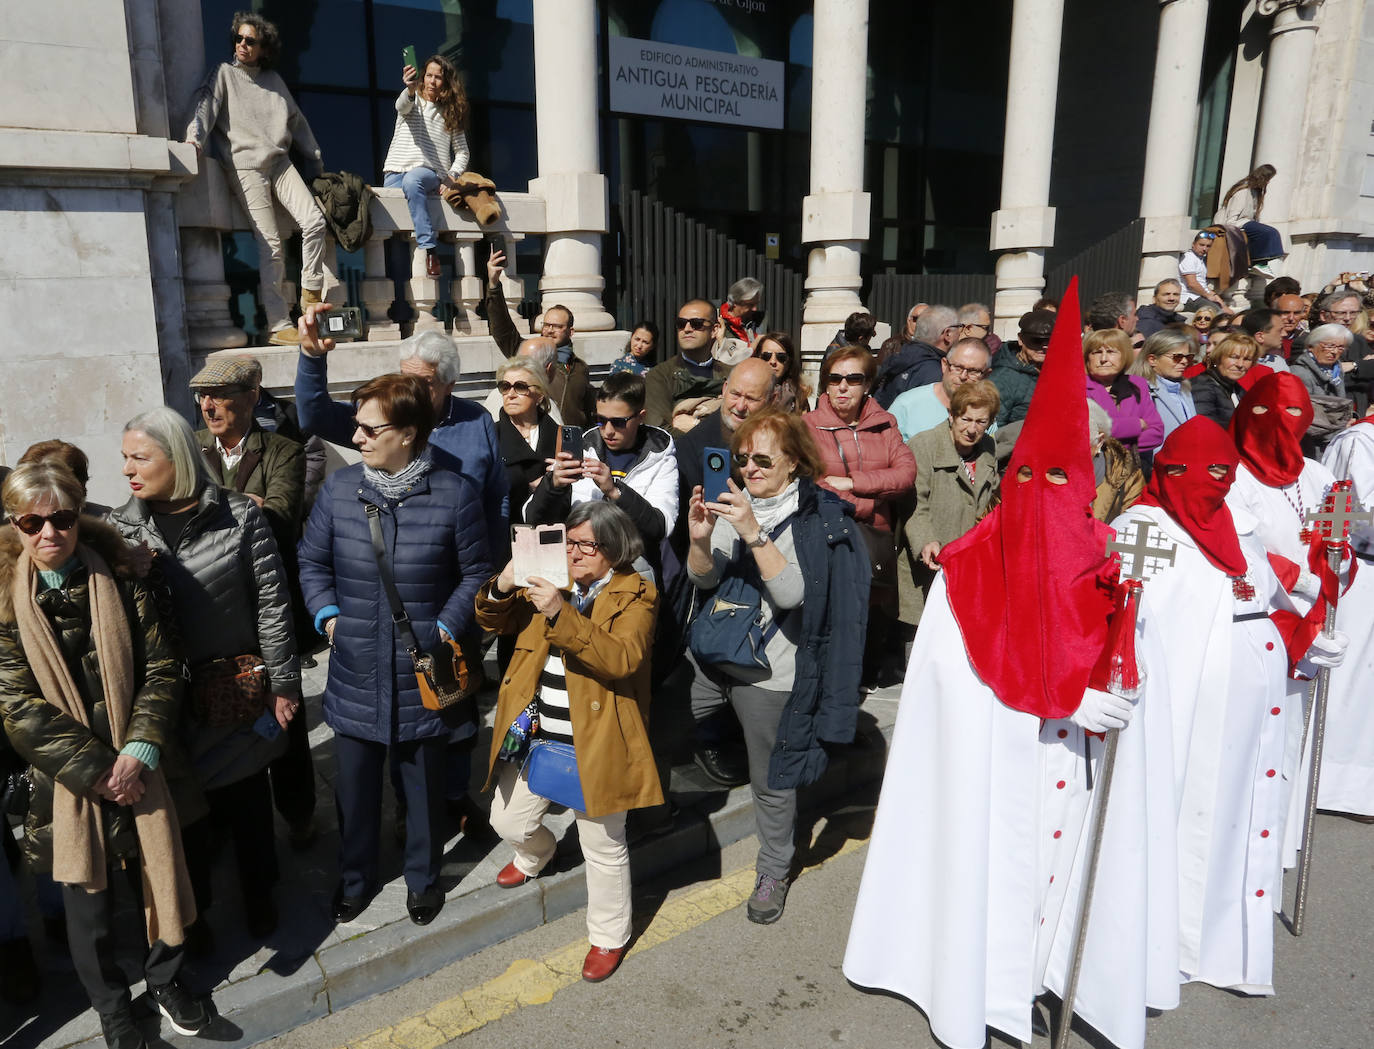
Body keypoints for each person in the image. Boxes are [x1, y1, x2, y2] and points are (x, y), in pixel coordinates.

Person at [845, 282, 1176, 1049]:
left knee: (1060, 878)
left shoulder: (1111, 558)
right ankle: (981, 983)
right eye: (1029, 478)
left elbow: (1131, 652)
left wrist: (1119, 687)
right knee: (993, 869)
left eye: (1063, 479)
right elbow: (951, 689)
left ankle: (1054, 974)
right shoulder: (968, 566)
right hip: (998, 769)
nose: (1043, 497)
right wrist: (1050, 700)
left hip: (1076, 768)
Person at [1114, 417, 1332, 995]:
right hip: (1182, 701)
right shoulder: (1143, 527)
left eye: (1219, 471)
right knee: (1186, 811)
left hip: (1255, 698)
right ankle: (1169, 944)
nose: (1205, 483)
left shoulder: (1239, 522)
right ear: (1163, 470)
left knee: (1239, 813)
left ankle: (1223, 942)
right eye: (1188, 470)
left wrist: (1309, 637)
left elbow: (1270, 599)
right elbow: (1124, 617)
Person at [0, 461, 210, 1049]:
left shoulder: (120, 577)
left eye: (61, 517)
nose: (49, 533)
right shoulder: (3, 603)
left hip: (141, 764)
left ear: (78, 515)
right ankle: (115, 1013)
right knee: (87, 912)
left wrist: (140, 748)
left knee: (161, 875)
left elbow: (162, 667)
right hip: (68, 784)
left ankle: (166, 981)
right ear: (16, 525)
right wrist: (99, 770)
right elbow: (17, 706)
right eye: (33, 521)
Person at [297, 373, 491, 927]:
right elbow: (311, 562)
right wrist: (327, 614)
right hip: (355, 669)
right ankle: (355, 879)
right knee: (354, 795)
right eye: (356, 427)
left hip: (422, 675)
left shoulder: (455, 494)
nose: (355, 438)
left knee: (424, 791)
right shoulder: (339, 491)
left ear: (407, 434)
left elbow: (477, 572)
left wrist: (442, 628)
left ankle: (424, 880)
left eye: (367, 428)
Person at [109, 406, 300, 942]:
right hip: (164, 709)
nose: (127, 469)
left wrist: (282, 684)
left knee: (247, 810)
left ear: (177, 459)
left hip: (233, 696)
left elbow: (272, 605)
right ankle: (197, 919)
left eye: (139, 457)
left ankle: (261, 897)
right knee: (185, 822)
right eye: (124, 457)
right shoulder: (120, 532)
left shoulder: (239, 517)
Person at [687, 409, 869, 924]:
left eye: (763, 458)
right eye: (743, 458)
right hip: (720, 656)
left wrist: (751, 530)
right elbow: (704, 580)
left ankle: (774, 868)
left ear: (794, 461)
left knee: (772, 781)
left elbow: (793, 594)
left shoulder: (813, 518)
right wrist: (701, 538)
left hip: (773, 674)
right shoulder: (735, 503)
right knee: (683, 721)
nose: (750, 467)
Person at [477, 501, 660, 983]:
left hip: (598, 741)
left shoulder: (635, 593)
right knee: (506, 819)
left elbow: (621, 659)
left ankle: (608, 936)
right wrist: (504, 582)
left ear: (614, 548)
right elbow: (492, 621)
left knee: (603, 844)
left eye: (585, 545)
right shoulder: (549, 580)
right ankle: (538, 852)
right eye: (569, 542)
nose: (574, 554)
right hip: (534, 730)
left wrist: (561, 613)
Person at [188, 357, 316, 849]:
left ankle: (299, 811)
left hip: (267, 601)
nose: (208, 405)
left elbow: (280, 515)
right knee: (220, 709)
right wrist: (247, 505)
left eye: (220, 395)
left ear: (251, 395)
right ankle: (227, 814)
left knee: (283, 711)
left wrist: (204, 504)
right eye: (203, 396)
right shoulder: (193, 448)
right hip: (213, 606)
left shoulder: (283, 449)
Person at [1225, 373, 1339, 875]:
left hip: (1309, 622)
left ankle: (1276, 845)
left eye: (1297, 416)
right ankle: (1236, 847)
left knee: (1290, 733)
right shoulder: (1230, 473)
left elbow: (1344, 534)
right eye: (1275, 414)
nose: (1284, 427)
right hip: (1255, 615)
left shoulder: (1318, 474)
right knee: (1249, 733)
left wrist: (1334, 573)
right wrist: (1303, 582)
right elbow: (1240, 547)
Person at [295, 308, 508, 557]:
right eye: (406, 378)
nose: (412, 390)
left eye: (425, 383)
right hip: (400, 559)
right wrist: (311, 357)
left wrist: (495, 562)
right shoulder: (385, 413)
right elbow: (314, 417)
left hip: (465, 559)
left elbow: (497, 496)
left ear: (449, 384)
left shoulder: (476, 419)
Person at [184, 12, 326, 347]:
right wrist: (195, 139)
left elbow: (297, 122)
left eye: (250, 41)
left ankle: (310, 294)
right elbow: (205, 106)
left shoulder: (274, 81)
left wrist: (316, 159)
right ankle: (278, 325)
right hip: (245, 166)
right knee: (271, 246)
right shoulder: (224, 74)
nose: (242, 45)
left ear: (264, 48)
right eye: (239, 38)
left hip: (279, 162)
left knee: (315, 221)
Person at [668, 357, 777, 787]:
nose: (742, 404)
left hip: (762, 562)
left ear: (769, 400)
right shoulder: (694, 443)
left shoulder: (777, 437)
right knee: (711, 656)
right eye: (735, 393)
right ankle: (709, 739)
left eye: (753, 397)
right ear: (723, 389)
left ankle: (740, 733)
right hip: (708, 566)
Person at [807, 345, 917, 687]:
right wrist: (866, 504)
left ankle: (857, 690)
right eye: (835, 378)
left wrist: (854, 482)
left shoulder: (885, 424)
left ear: (867, 384)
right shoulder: (808, 426)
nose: (842, 386)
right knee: (833, 622)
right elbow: (812, 482)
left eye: (853, 378)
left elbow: (905, 473)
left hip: (875, 543)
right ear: (825, 384)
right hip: (830, 537)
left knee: (869, 623)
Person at [525, 372, 678, 581]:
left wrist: (615, 491)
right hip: (577, 570)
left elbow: (660, 527)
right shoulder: (585, 448)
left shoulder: (659, 455)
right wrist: (553, 486)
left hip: (630, 574)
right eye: (601, 420)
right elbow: (533, 519)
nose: (608, 431)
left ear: (641, 417)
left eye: (619, 422)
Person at [897, 380, 999, 628]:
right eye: (965, 419)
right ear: (951, 415)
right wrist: (926, 540)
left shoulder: (988, 447)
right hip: (928, 567)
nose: (972, 429)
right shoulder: (925, 445)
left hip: (968, 572)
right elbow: (914, 504)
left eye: (981, 422)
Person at [1318, 419, 1374, 819]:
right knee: (1349, 681)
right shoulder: (1360, 440)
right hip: (1359, 571)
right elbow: (1354, 510)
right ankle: (1332, 785)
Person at [484, 249, 597, 427]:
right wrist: (493, 284)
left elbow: (589, 411)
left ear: (570, 331)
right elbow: (502, 327)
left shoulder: (580, 368)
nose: (550, 330)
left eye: (557, 326)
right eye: (546, 325)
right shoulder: (527, 352)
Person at [382, 54, 470, 278]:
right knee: (396, 248)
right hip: (395, 173)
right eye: (429, 75)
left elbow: (462, 152)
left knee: (414, 180)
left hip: (427, 173)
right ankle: (400, 306)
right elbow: (401, 106)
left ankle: (430, 249)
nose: (432, 81)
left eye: (438, 77)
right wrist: (410, 89)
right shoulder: (412, 100)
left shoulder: (450, 112)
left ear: (446, 81)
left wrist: (451, 176)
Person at [643, 299, 731, 432]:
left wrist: (696, 425)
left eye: (696, 324)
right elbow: (659, 433)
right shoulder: (659, 376)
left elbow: (744, 427)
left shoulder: (732, 375)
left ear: (714, 330)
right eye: (681, 324)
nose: (687, 329)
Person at [887, 337, 994, 441]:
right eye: (957, 368)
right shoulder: (907, 405)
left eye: (973, 371)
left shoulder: (986, 412)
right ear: (944, 365)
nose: (963, 376)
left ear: (987, 375)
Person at [1083, 328, 1164, 454]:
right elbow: (1086, 433)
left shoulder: (1137, 384)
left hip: (1131, 470)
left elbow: (1157, 432)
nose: (1103, 358)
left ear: (1124, 355)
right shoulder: (1078, 388)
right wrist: (1137, 424)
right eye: (1097, 352)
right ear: (1087, 358)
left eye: (1111, 352)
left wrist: (1112, 443)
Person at [872, 305, 958, 408]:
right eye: (959, 326)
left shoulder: (901, 356)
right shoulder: (936, 373)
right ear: (947, 334)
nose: (961, 332)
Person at [1215, 164, 1285, 276]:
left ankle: (1258, 262)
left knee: (1267, 232)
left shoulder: (1254, 193)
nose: (1268, 183)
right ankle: (1259, 262)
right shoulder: (1242, 192)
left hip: (1244, 223)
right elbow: (1230, 220)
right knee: (1269, 232)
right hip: (1237, 224)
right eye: (1268, 179)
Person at [990, 308, 1055, 427]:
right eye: (1036, 340)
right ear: (1021, 339)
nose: (1044, 346)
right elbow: (993, 430)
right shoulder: (1001, 379)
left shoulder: (1059, 372)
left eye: (1050, 341)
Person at [1190, 333, 1259, 427]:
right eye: (1234, 357)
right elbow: (1205, 428)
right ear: (1218, 358)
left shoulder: (1237, 390)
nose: (1240, 364)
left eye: (1247, 359)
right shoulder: (1201, 387)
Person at [752, 331, 809, 413]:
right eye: (766, 356)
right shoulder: (746, 390)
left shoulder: (800, 396)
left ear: (789, 362)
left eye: (781, 357)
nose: (773, 361)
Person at [1180, 230, 1227, 309]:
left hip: (1199, 296)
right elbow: (1192, 284)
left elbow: (1203, 285)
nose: (1204, 249)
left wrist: (1223, 305)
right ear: (1193, 244)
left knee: (1226, 312)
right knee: (1217, 312)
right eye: (1201, 245)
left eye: (1208, 246)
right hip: (1189, 297)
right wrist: (1207, 295)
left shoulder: (1200, 259)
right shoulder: (1189, 258)